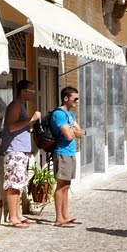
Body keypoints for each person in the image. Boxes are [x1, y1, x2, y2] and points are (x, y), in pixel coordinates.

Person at [0, 80, 40, 228]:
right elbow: (11, 127)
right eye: (31, 90)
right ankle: (12, 217)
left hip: (21, 150)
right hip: (14, 149)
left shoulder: (21, 105)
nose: (33, 93)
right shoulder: (15, 105)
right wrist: (30, 119)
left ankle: (17, 214)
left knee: (19, 183)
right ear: (23, 91)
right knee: (13, 184)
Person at [50, 86, 83, 227]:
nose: (77, 101)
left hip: (70, 152)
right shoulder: (59, 114)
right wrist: (72, 130)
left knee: (67, 185)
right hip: (61, 152)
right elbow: (69, 136)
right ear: (65, 98)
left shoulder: (70, 115)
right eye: (74, 98)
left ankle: (65, 215)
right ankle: (59, 218)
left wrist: (73, 131)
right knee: (61, 185)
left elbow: (80, 132)